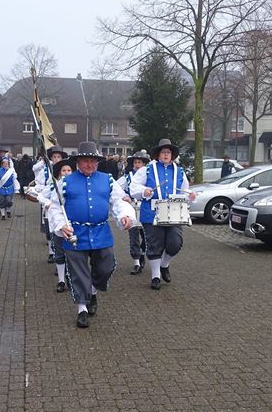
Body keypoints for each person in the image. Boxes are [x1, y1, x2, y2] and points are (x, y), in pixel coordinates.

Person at [49, 141, 135, 328]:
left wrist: (125, 216)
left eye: (93, 161)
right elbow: (55, 208)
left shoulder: (107, 180)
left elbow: (118, 202)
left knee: (107, 266)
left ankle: (93, 291)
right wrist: (61, 224)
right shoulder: (65, 182)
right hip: (75, 234)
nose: (90, 165)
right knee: (78, 273)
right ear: (78, 162)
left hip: (101, 231)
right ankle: (82, 309)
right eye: (86, 161)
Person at [130, 138, 196, 290]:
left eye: (169, 152)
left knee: (175, 243)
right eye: (163, 152)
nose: (166, 154)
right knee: (154, 244)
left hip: (174, 213)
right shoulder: (147, 169)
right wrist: (143, 191)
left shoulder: (179, 171)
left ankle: (164, 265)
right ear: (158, 154)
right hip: (151, 212)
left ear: (172, 155)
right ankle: (155, 277)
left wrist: (190, 196)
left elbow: (185, 191)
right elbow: (134, 187)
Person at [37, 157, 75, 293]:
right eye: (64, 170)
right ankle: (61, 280)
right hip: (56, 223)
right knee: (59, 252)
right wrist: (47, 203)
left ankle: (70, 278)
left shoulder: (76, 186)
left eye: (69, 170)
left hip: (72, 223)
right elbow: (40, 196)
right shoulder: (53, 185)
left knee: (72, 253)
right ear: (59, 173)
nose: (66, 172)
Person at [32, 145, 68, 263]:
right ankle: (51, 252)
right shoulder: (45, 170)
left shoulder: (67, 170)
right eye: (54, 157)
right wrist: (48, 188)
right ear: (51, 158)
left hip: (64, 205)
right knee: (50, 228)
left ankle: (64, 254)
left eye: (59, 157)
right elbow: (38, 185)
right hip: (49, 203)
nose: (57, 159)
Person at [117, 151, 150, 275]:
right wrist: (125, 196)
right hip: (132, 208)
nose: (137, 165)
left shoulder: (149, 176)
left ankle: (142, 253)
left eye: (140, 162)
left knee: (148, 236)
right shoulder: (128, 177)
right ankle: (136, 262)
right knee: (134, 236)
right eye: (136, 162)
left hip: (147, 210)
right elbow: (115, 188)